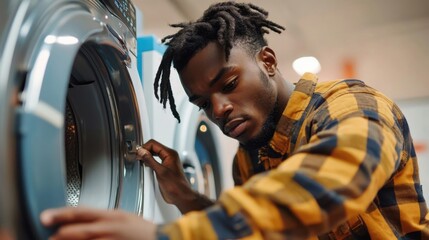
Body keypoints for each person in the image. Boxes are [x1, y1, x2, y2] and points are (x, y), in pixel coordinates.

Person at [40, 1, 429, 239]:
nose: (220, 108)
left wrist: (165, 235)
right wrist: (186, 196)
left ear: (268, 61)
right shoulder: (249, 156)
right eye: (203, 103)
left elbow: (327, 186)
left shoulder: (354, 106)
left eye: (228, 83)